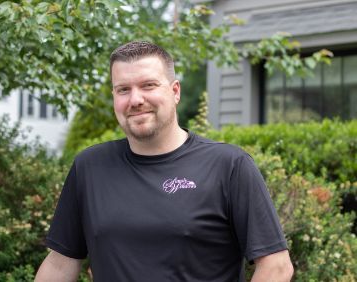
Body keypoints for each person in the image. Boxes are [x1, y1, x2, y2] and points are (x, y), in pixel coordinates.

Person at [35, 41, 294, 282]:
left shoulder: (228, 166)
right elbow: (60, 263)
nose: (135, 100)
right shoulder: (89, 167)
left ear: (175, 91)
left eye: (148, 85)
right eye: (123, 89)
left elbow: (276, 266)